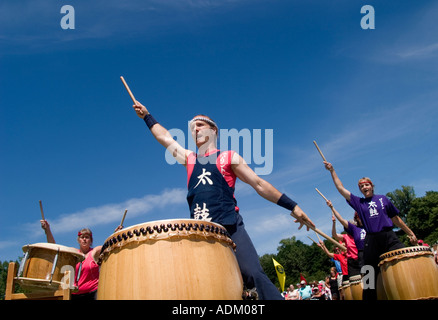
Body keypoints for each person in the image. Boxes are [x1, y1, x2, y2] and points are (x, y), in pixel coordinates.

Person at [132, 101, 315, 300]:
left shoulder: (228, 157)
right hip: (201, 232)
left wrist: (292, 206)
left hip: (230, 226)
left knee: (254, 274)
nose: (195, 129)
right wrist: (147, 116)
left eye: (200, 125)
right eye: (192, 128)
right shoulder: (190, 159)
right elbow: (165, 138)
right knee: (203, 287)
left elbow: (258, 183)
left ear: (214, 130)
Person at [323, 161, 417, 300]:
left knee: (404, 259)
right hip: (371, 239)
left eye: (366, 184)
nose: (364, 187)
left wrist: (410, 232)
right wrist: (332, 171)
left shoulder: (383, 199)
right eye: (361, 186)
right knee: (369, 273)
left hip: (389, 236)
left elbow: (396, 218)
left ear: (371, 186)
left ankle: (412, 290)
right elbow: (341, 188)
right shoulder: (359, 203)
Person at [40, 220, 122, 300]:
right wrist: (47, 230)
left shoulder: (94, 252)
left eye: (87, 237)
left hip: (93, 292)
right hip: (75, 294)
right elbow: (55, 248)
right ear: (78, 240)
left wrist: (116, 234)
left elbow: (108, 246)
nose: (84, 239)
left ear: (91, 240)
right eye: (82, 237)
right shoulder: (73, 253)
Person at [328, 200, 364, 277]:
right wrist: (332, 208)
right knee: (357, 283)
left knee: (369, 282)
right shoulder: (347, 236)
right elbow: (334, 234)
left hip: (364, 258)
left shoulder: (364, 230)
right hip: (352, 262)